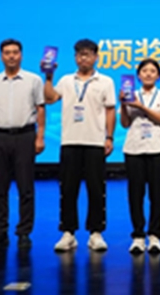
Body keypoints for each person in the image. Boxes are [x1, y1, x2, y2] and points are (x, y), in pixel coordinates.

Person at [44, 39, 116, 252]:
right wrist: (48, 77)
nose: (84, 58)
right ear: (75, 57)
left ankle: (96, 233)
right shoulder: (66, 80)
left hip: (95, 142)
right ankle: (68, 233)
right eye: (80, 54)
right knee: (68, 189)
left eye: (88, 54)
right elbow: (50, 98)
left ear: (96, 57)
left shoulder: (105, 81)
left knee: (96, 189)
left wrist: (109, 137)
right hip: (70, 141)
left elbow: (110, 110)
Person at [0, 39, 46, 250]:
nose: (11, 56)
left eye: (15, 52)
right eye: (7, 53)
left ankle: (24, 232)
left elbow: (41, 109)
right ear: (1, 56)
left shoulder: (33, 80)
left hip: (25, 135)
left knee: (26, 187)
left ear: (21, 55)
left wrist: (40, 137)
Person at [120, 59, 160, 254]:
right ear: (138, 75)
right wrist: (123, 104)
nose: (148, 74)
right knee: (135, 194)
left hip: (157, 148)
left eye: (153, 71)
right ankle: (138, 236)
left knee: (157, 194)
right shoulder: (130, 94)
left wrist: (141, 107)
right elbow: (125, 124)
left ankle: (155, 236)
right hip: (134, 148)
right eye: (144, 71)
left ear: (158, 76)